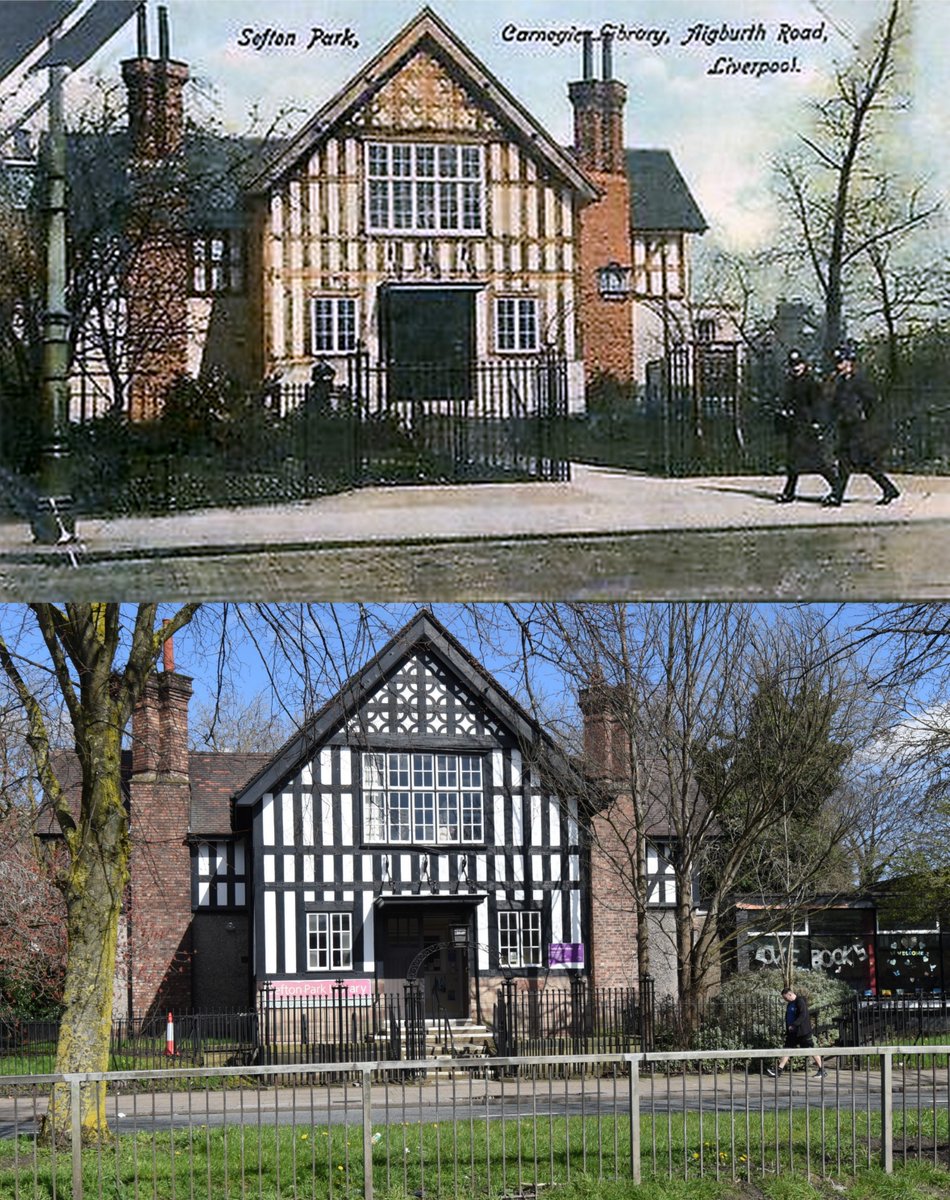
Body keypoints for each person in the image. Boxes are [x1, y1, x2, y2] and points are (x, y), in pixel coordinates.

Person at [826, 343, 900, 507]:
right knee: (854, 462)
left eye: (841, 361)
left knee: (853, 461)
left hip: (858, 427)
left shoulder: (859, 380)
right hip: (846, 426)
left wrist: (867, 422)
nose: (838, 365)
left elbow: (871, 402)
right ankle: (888, 489)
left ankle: (838, 496)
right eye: (837, 362)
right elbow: (835, 405)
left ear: (849, 362)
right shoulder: (841, 381)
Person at [775, 348, 838, 504]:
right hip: (794, 426)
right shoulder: (791, 382)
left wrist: (817, 423)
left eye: (798, 364)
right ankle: (789, 493)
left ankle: (837, 488)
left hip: (807, 426)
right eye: (793, 365)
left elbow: (818, 405)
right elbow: (787, 401)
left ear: (804, 365)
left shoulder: (811, 382)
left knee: (817, 462)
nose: (796, 367)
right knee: (793, 462)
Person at [766, 986, 825, 1077]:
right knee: (787, 1049)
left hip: (803, 1032)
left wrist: (794, 1025)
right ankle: (779, 1070)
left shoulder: (800, 1001)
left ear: (790, 994)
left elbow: (803, 1015)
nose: (785, 1000)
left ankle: (822, 1070)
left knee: (810, 1050)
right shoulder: (790, 1004)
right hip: (793, 1033)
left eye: (785, 998)